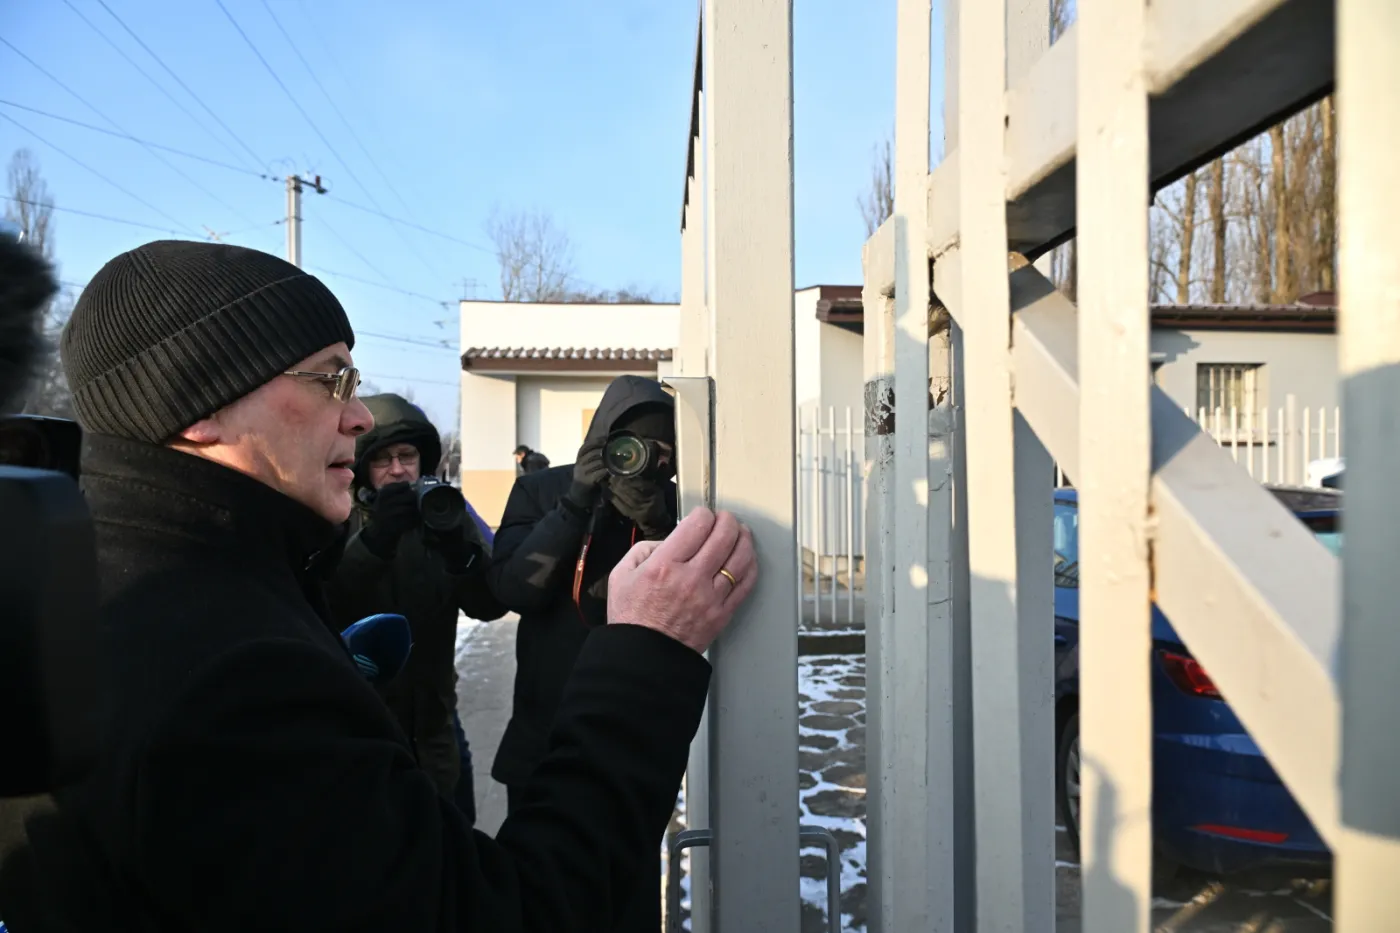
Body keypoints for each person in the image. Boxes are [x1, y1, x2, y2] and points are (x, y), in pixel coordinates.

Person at [0, 240, 757, 933]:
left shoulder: (84, 579)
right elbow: (500, 911)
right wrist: (646, 650)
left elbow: (484, 592)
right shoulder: (235, 672)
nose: (359, 416)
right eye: (332, 378)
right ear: (200, 402)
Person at [490, 375, 679, 933]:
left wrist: (655, 522)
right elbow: (513, 590)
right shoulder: (542, 490)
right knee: (536, 900)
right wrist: (575, 503)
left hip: (628, 743)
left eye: (662, 451)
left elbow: (691, 594)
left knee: (628, 898)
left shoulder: (672, 501)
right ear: (603, 438)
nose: (643, 459)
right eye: (631, 444)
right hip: (540, 738)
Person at [323, 393, 504, 823]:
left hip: (435, 720)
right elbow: (326, 601)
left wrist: (462, 556)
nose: (398, 469)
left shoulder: (446, 513)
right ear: (362, 465)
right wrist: (376, 541)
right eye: (383, 460)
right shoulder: (336, 517)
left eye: (407, 456)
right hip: (359, 721)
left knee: (455, 830)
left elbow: (490, 605)